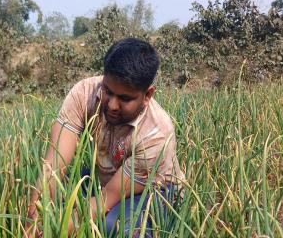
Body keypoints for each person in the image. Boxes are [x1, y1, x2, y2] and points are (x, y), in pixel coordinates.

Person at [26, 37, 185, 237]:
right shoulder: (84, 93)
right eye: (108, 91)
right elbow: (53, 166)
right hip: (104, 178)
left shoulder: (157, 133)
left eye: (125, 99)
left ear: (147, 95)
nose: (111, 105)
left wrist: (56, 230)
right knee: (51, 194)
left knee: (114, 227)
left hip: (154, 191)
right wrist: (34, 222)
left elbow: (107, 198)